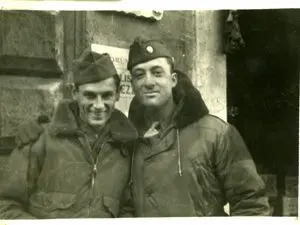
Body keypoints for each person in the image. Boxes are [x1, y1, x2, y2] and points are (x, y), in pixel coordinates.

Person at [14, 37, 271, 217]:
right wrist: (40, 126)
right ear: (132, 85)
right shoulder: (126, 140)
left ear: (172, 80)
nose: (148, 82)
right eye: (139, 74)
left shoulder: (217, 133)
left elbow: (253, 204)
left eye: (156, 72)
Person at [0, 49, 137, 219]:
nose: (99, 105)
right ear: (75, 93)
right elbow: (5, 206)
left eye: (106, 95)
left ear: (117, 94)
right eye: (90, 96)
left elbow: (128, 209)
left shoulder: (127, 148)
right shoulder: (40, 141)